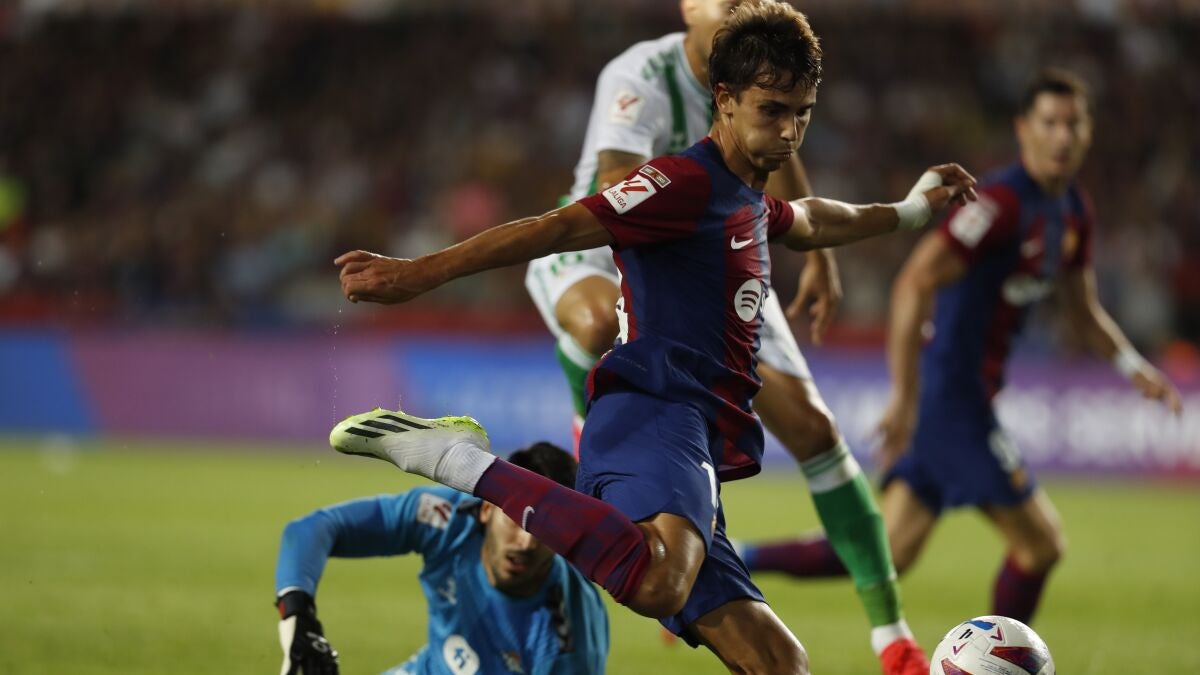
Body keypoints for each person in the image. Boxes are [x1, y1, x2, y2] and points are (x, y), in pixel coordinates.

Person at [331, 3, 976, 672]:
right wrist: (418, 273)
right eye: (771, 110)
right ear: (724, 101)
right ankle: (461, 462)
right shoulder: (681, 182)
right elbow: (556, 228)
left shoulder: (746, 198)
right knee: (659, 581)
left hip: (697, 437)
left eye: (802, 113)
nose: (789, 131)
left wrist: (911, 210)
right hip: (653, 410)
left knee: (779, 661)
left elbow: (813, 219)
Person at [524, 2, 927, 670]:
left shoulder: (766, 84)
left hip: (724, 247)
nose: (739, 4)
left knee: (816, 430)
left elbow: (781, 161)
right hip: (615, 243)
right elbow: (617, 184)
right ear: (688, 6)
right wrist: (702, 194)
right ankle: (587, 428)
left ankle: (893, 636)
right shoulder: (641, 73)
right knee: (596, 323)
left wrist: (820, 254)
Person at [738, 69, 1182, 627]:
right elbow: (914, 282)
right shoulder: (999, 204)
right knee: (1040, 544)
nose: (1062, 136)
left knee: (889, 552)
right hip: (953, 399)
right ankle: (996, 660)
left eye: (1074, 124)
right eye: (1050, 123)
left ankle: (739, 558)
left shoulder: (1072, 211)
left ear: (1089, 132)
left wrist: (1134, 366)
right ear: (1024, 129)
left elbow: (1083, 310)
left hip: (964, 398)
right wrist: (905, 398)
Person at [274, 443, 609, 675]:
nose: (526, 542)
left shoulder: (571, 640)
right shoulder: (448, 518)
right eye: (515, 520)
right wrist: (298, 614)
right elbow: (313, 529)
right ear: (487, 508)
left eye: (547, 531)